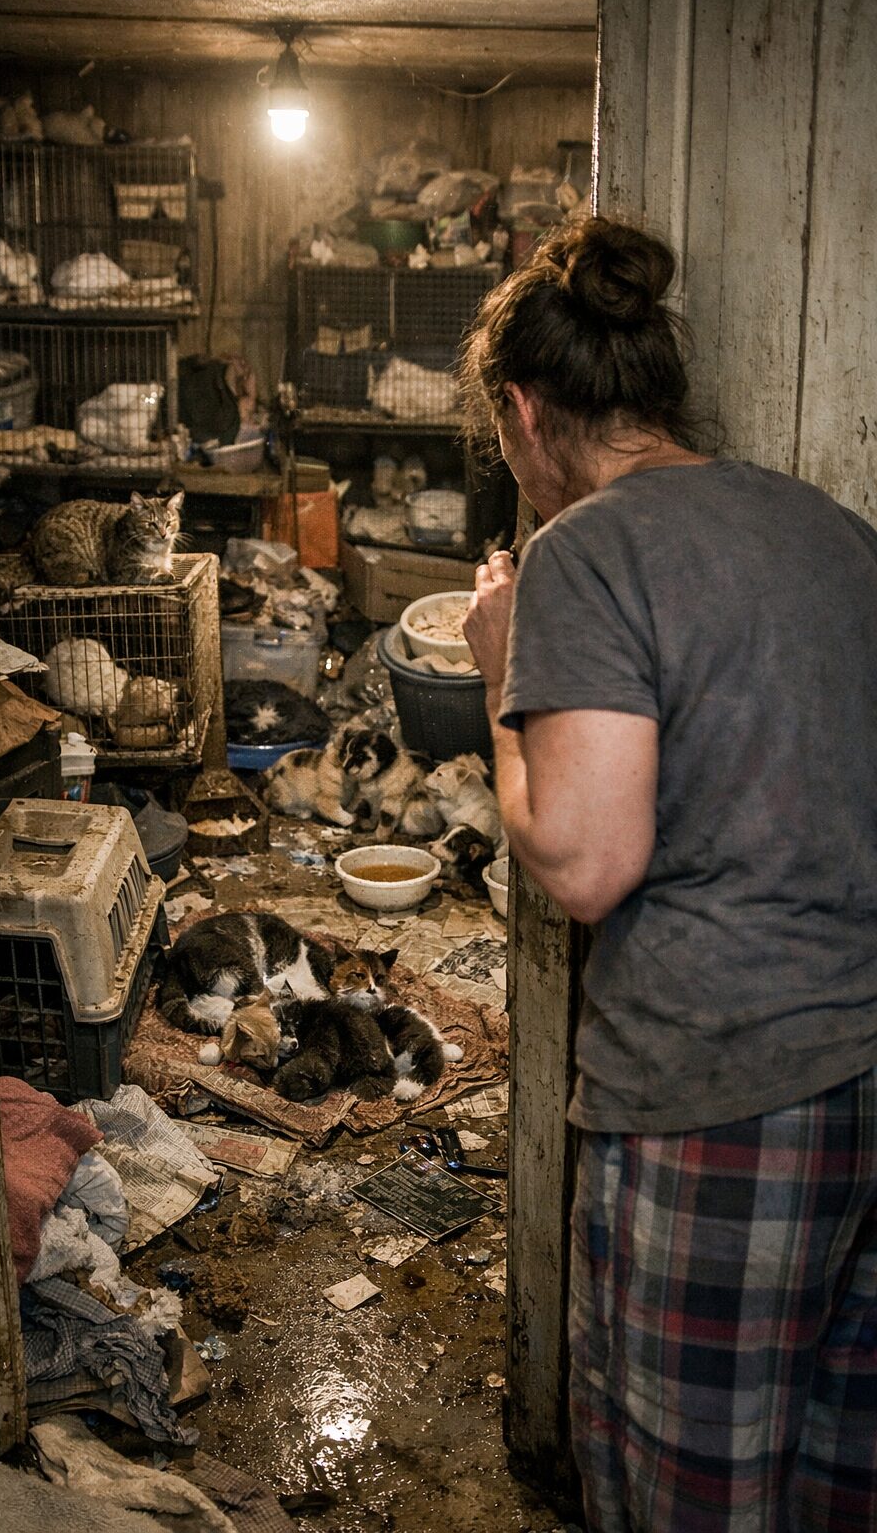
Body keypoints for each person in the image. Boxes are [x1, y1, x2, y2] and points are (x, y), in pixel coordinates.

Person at [460, 216, 877, 1532]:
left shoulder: (586, 549)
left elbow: (587, 861)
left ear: (524, 411)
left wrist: (500, 686)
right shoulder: (829, 529)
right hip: (863, 1063)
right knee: (834, 1482)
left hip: (721, 1092)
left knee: (685, 1489)